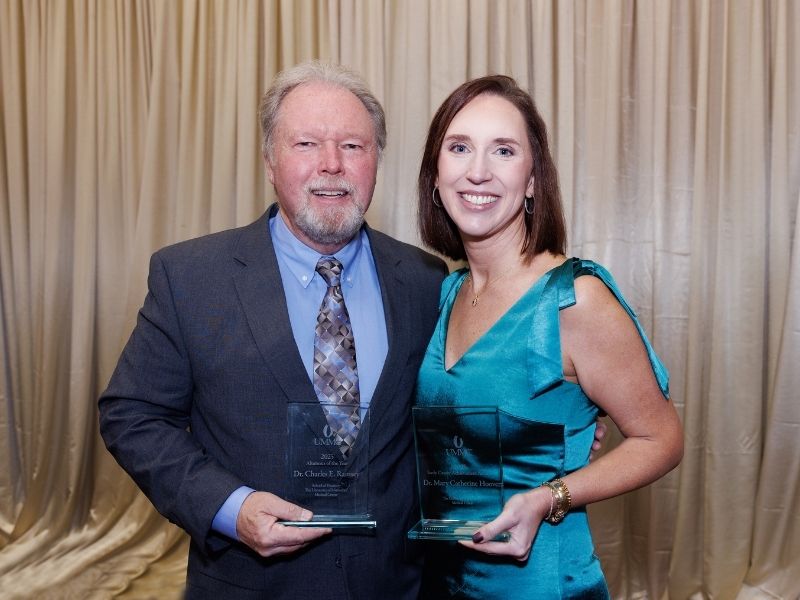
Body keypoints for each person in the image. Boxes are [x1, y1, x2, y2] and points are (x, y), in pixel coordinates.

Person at [98, 61, 448, 599]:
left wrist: (551, 431)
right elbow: (132, 414)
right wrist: (229, 509)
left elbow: (445, 413)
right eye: (306, 143)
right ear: (268, 160)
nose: (331, 165)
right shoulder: (191, 277)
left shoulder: (425, 280)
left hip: (396, 584)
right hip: (251, 585)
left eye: (353, 146)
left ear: (377, 161)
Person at [414, 75, 684, 598]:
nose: (478, 171)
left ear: (534, 179)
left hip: (539, 583)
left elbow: (662, 438)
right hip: (440, 579)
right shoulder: (445, 294)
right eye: (460, 147)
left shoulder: (573, 298)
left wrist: (549, 495)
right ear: (435, 174)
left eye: (505, 151)